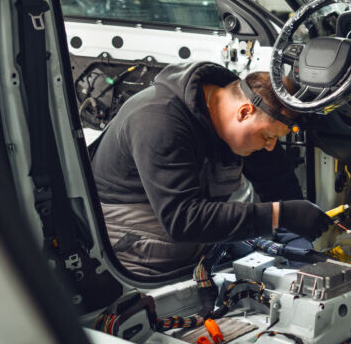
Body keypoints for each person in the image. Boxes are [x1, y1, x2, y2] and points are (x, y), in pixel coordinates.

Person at [91, 61, 331, 277]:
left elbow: (276, 180)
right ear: (244, 112)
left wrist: (296, 239)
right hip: (138, 248)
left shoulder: (243, 114)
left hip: (200, 241)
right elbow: (183, 220)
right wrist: (280, 216)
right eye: (268, 136)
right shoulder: (158, 121)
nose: (271, 147)